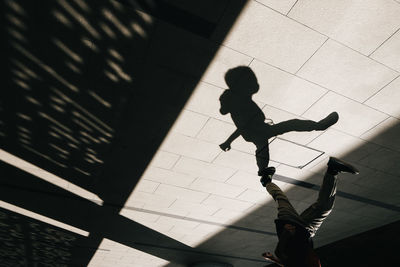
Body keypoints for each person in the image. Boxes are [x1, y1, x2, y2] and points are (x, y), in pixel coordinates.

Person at [218, 66, 339, 178]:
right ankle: (320, 126)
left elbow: (235, 119)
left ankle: (263, 170)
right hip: (258, 130)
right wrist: (228, 141)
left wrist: (228, 142)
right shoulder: (237, 101)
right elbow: (242, 125)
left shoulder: (239, 99)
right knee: (288, 127)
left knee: (264, 145)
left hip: (258, 130)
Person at [260, 157, 359, 266]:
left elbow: (280, 253)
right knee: (325, 207)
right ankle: (333, 170)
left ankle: (266, 180)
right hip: (307, 231)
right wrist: (273, 259)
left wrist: (286, 233)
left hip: (290, 227)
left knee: (280, 197)